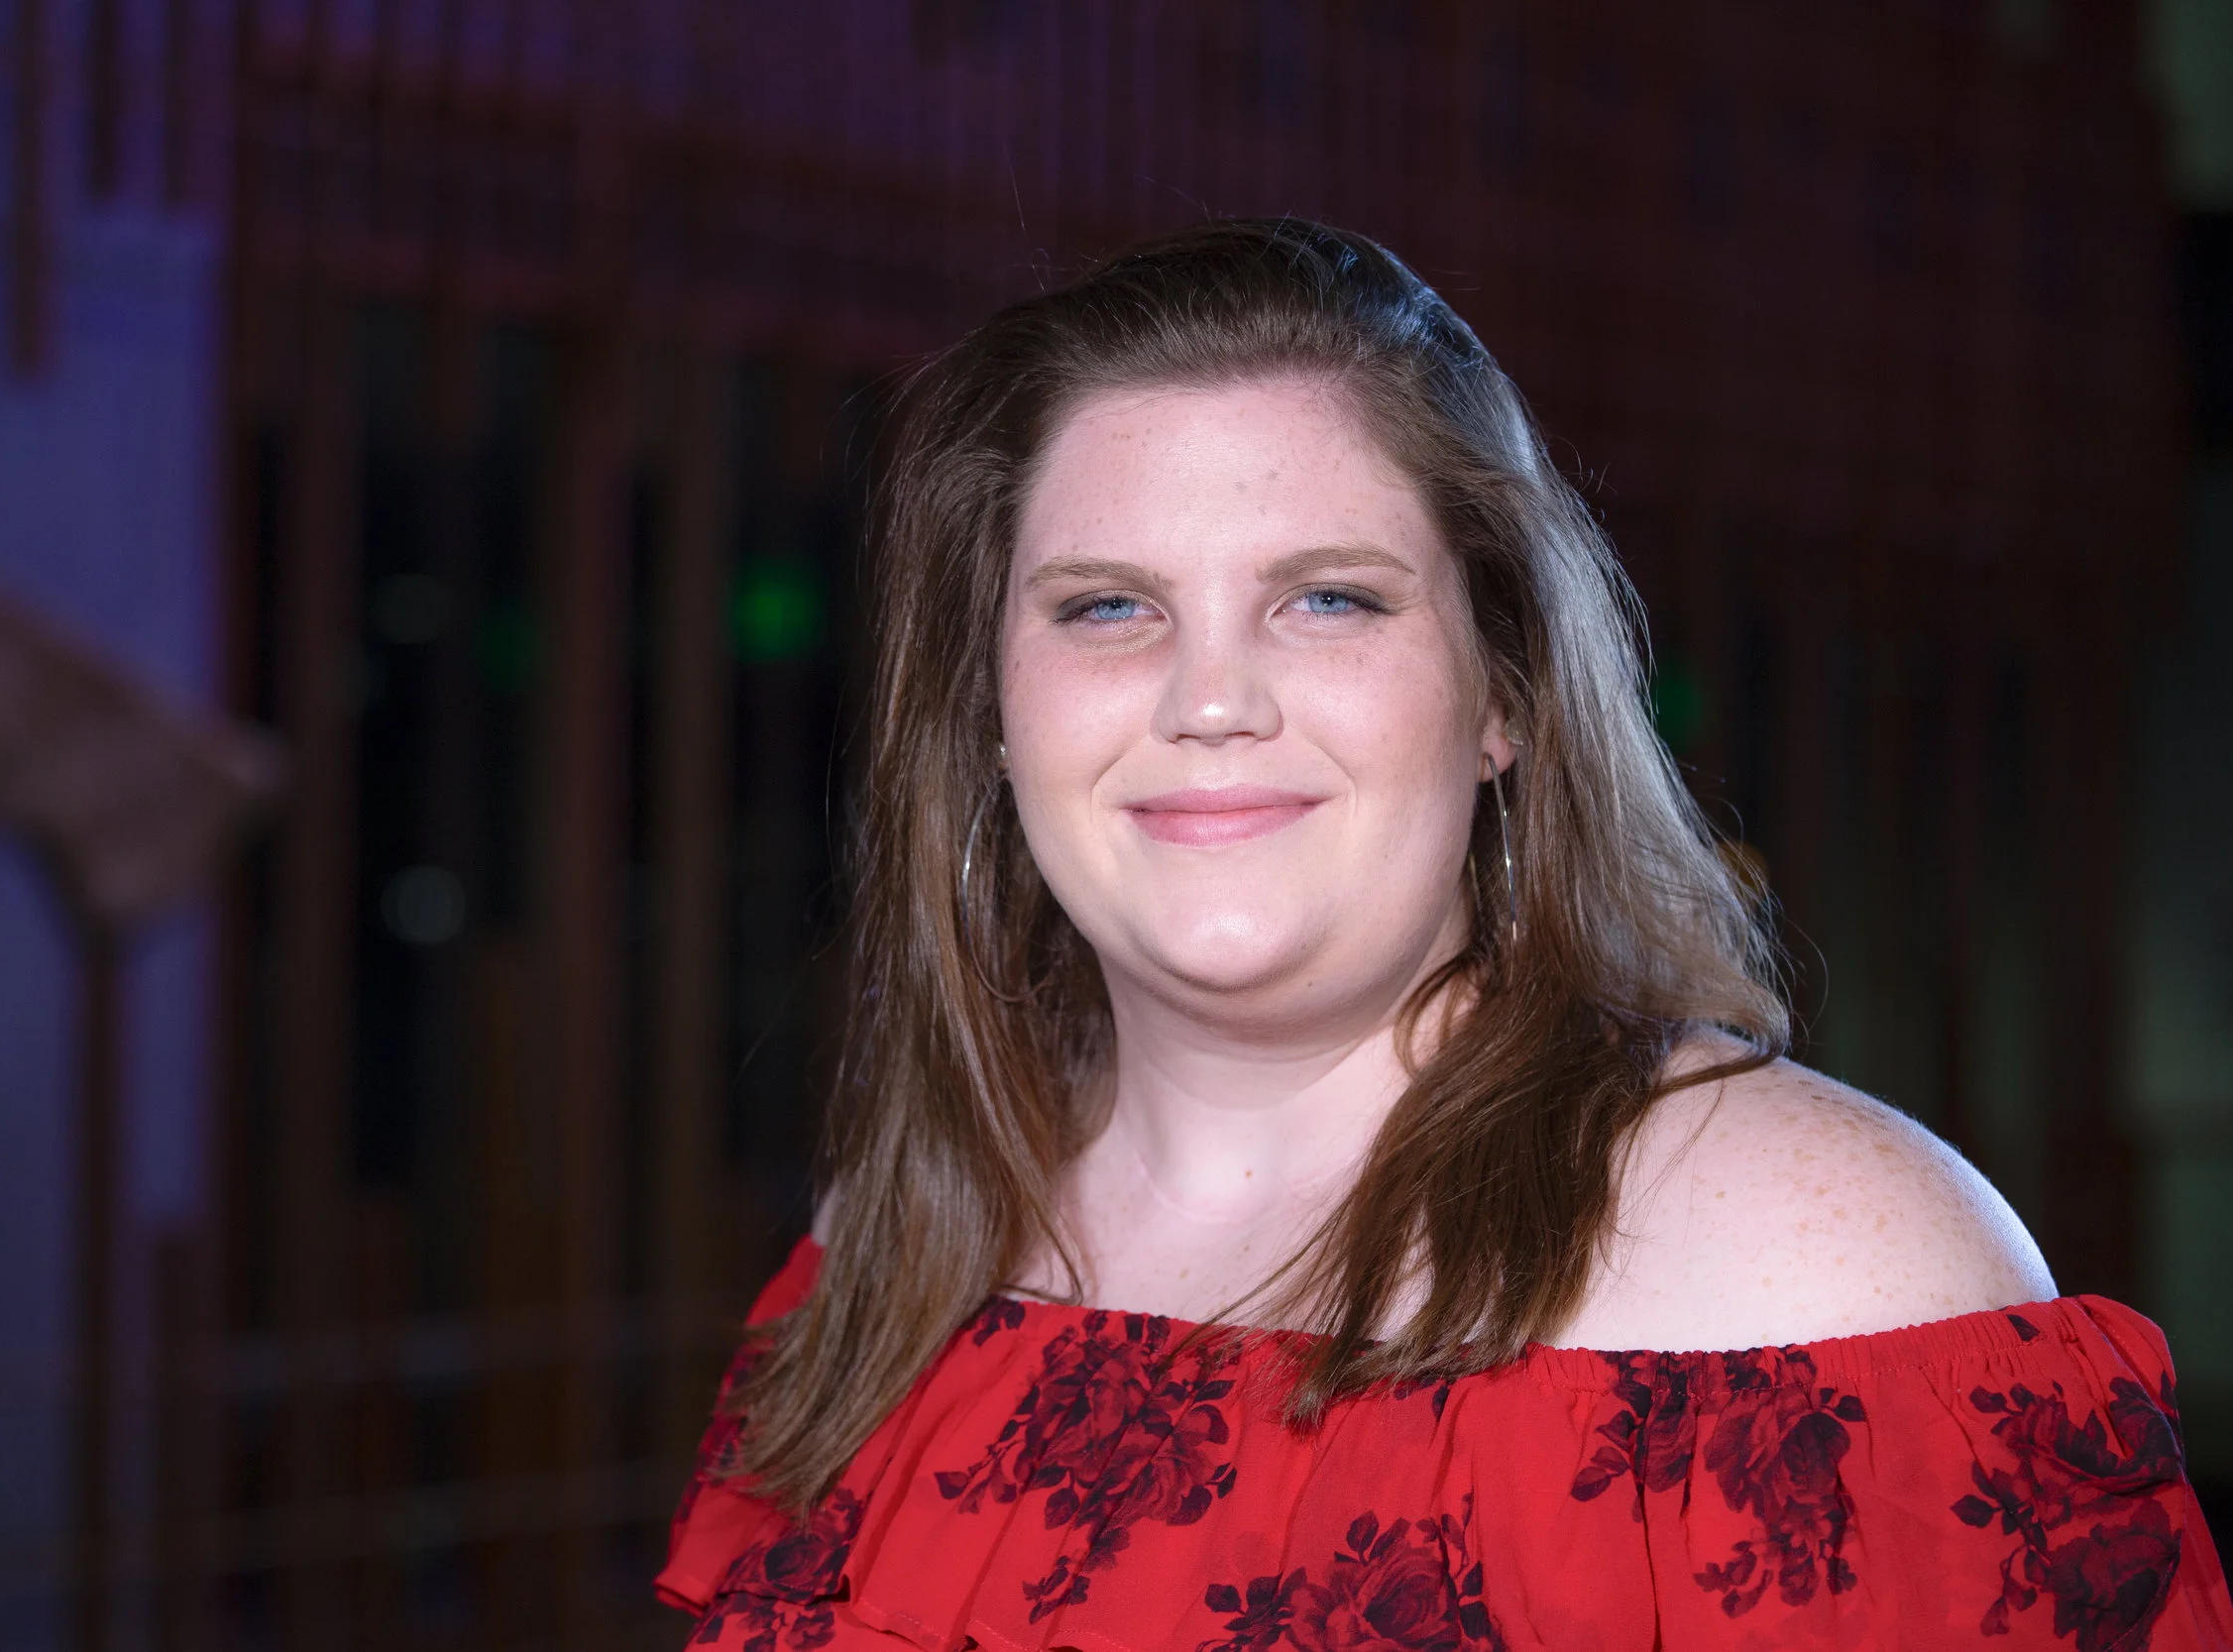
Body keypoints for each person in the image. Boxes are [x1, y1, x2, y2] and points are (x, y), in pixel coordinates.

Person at [657, 219, 2229, 1650]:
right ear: (995, 713)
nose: (1212, 700)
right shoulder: (896, 1249)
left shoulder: (1836, 1271)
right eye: (1108, 606)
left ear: (1503, 694)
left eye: (1327, 598)